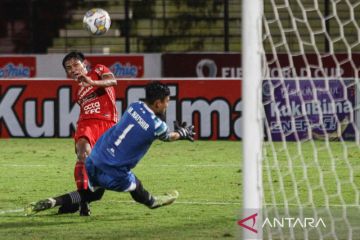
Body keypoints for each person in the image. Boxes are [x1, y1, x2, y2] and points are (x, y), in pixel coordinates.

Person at [25, 81, 195, 215]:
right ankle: (153, 202)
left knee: (94, 194)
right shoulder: (158, 125)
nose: (167, 105)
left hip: (94, 159)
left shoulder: (134, 106)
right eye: (166, 102)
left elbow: (149, 120)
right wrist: (183, 132)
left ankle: (54, 201)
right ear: (157, 103)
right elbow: (168, 136)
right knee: (136, 185)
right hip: (114, 169)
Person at [61, 51, 118, 216]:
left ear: (84, 64)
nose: (73, 69)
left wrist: (91, 81)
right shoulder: (77, 91)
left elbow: (113, 82)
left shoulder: (99, 70)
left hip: (108, 123)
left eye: (76, 64)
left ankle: (82, 197)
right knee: (83, 154)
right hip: (86, 123)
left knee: (102, 173)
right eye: (68, 68)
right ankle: (84, 203)